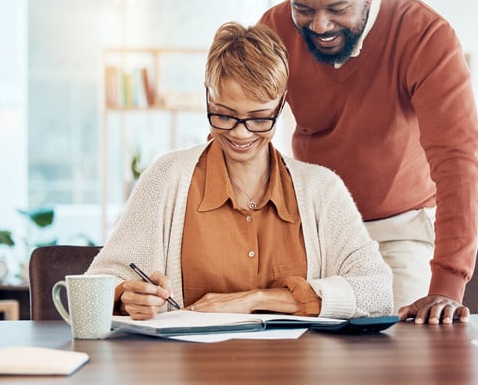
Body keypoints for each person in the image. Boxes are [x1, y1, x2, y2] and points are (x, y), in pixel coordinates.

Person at [87, 21, 393, 320]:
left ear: (281, 104)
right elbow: (100, 281)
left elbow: (377, 291)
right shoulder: (167, 178)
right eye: (224, 115)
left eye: (259, 118)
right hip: (189, 367)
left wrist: (256, 300)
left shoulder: (322, 189)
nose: (241, 134)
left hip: (295, 369)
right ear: (208, 97)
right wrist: (127, 295)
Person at [259, 0, 478, 325]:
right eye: (304, 9)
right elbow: (240, 129)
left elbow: (458, 162)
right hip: (311, 233)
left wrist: (446, 285)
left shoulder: (424, 35)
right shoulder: (275, 29)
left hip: (398, 231)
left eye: (337, 8)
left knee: (405, 348)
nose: (320, 25)